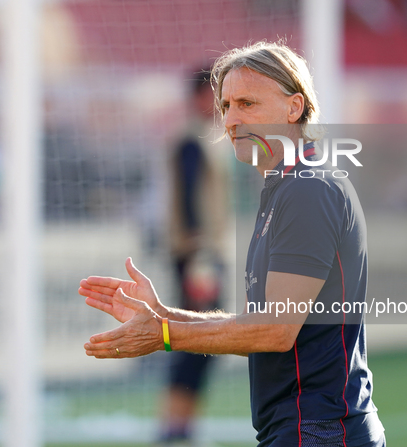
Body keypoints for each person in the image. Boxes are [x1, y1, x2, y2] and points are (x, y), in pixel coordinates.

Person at [79, 41, 386, 447]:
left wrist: (166, 333)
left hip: (320, 431)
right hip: (305, 429)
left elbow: (275, 332)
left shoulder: (308, 190)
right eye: (226, 106)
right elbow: (266, 329)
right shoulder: (285, 188)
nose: (232, 120)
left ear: (294, 108)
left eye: (248, 103)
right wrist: (165, 314)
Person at [161, 67, 231, 445]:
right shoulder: (191, 141)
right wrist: (201, 253)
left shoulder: (204, 139)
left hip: (202, 253)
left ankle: (183, 426)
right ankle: (173, 427)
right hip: (198, 255)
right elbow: (188, 200)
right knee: (195, 338)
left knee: (204, 339)